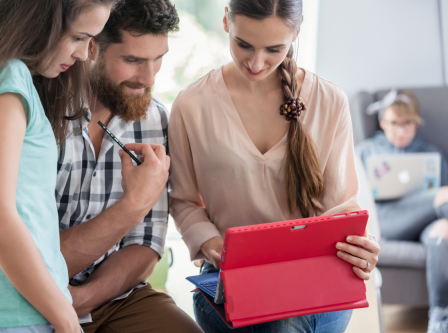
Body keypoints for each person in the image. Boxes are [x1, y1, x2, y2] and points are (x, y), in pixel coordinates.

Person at [168, 0, 381, 332]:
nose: (256, 63)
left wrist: (359, 247)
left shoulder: (330, 101)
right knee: (278, 323)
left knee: (283, 321)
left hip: (316, 273)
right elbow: (184, 201)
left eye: (274, 49)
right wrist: (216, 248)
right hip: (228, 276)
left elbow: (339, 207)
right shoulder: (190, 105)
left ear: (296, 33)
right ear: (226, 21)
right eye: (244, 45)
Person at [0, 0, 115, 332]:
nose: (84, 54)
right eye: (79, 37)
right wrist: (67, 320)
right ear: (40, 20)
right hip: (16, 316)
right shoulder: (6, 78)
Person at [54, 1, 203, 332]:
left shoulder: (156, 120)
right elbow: (29, 257)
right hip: (30, 293)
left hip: (114, 298)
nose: (148, 77)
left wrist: (83, 299)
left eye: (158, 59)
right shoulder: (42, 117)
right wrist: (133, 204)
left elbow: (146, 243)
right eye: (133, 60)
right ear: (90, 47)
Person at [356, 89, 448, 333]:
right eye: (394, 123)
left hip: (425, 223)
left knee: (443, 230)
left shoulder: (432, 154)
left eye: (407, 123)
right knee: (444, 196)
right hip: (386, 220)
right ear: (382, 122)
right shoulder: (366, 151)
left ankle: (440, 316)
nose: (401, 131)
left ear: (416, 124)